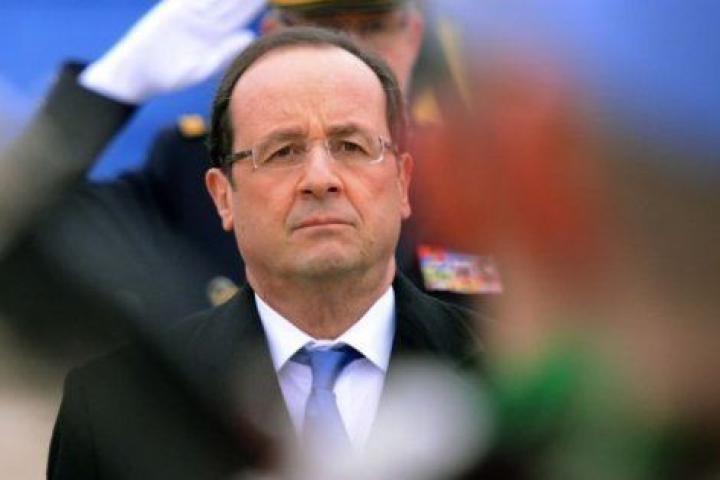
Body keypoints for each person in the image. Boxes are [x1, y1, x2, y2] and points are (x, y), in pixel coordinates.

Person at [47, 27, 480, 480]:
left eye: (351, 146)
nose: (320, 179)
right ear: (223, 197)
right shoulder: (113, 405)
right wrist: (104, 93)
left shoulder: (499, 380)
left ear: (403, 183)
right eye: (283, 152)